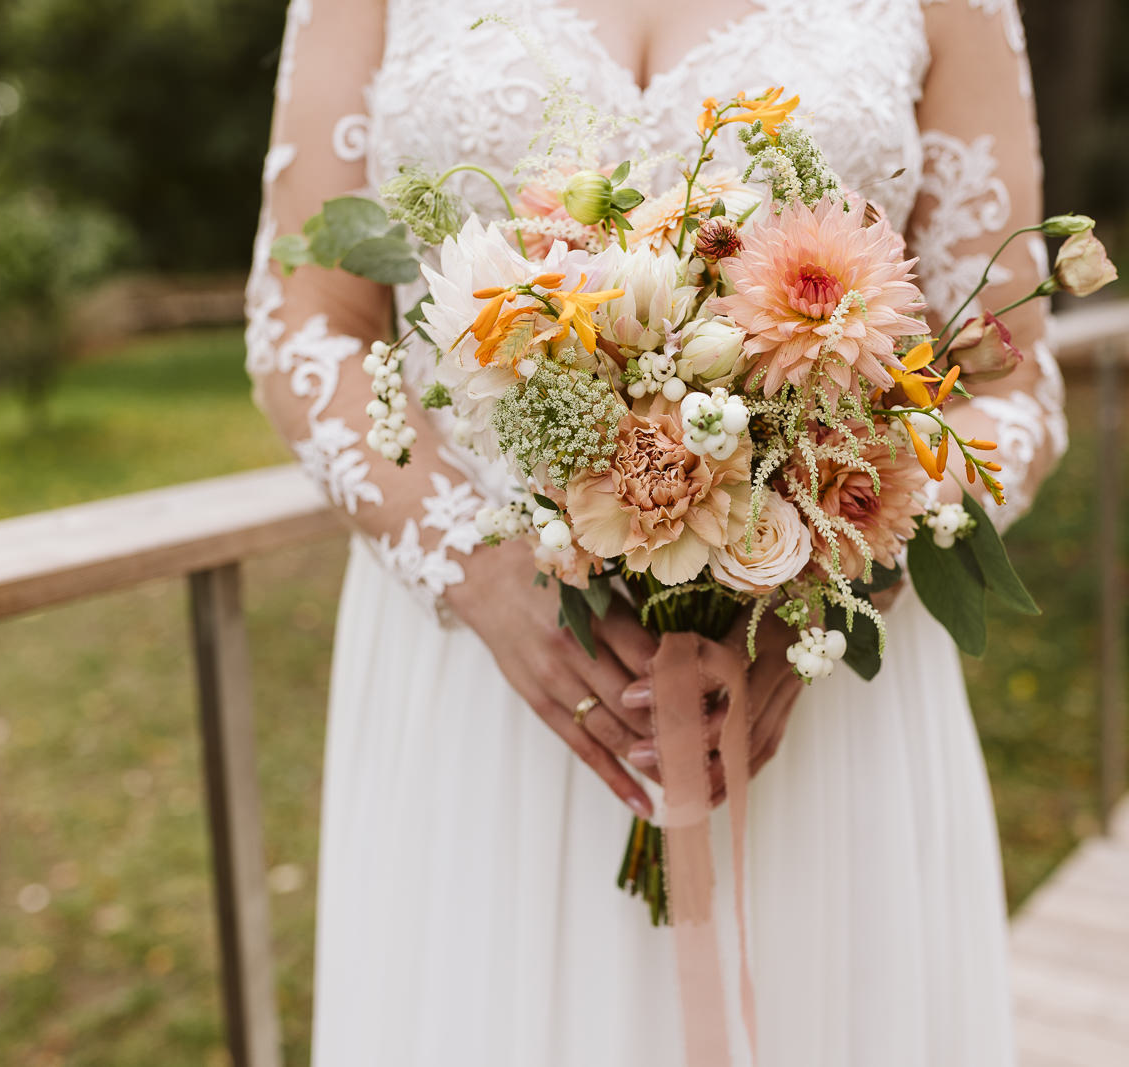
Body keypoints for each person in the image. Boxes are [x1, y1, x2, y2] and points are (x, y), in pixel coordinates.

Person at [245, 1, 1065, 1063]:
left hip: (809, 695)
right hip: (489, 680)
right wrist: (473, 562)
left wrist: (836, 586)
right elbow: (304, 322)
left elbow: (1007, 374)